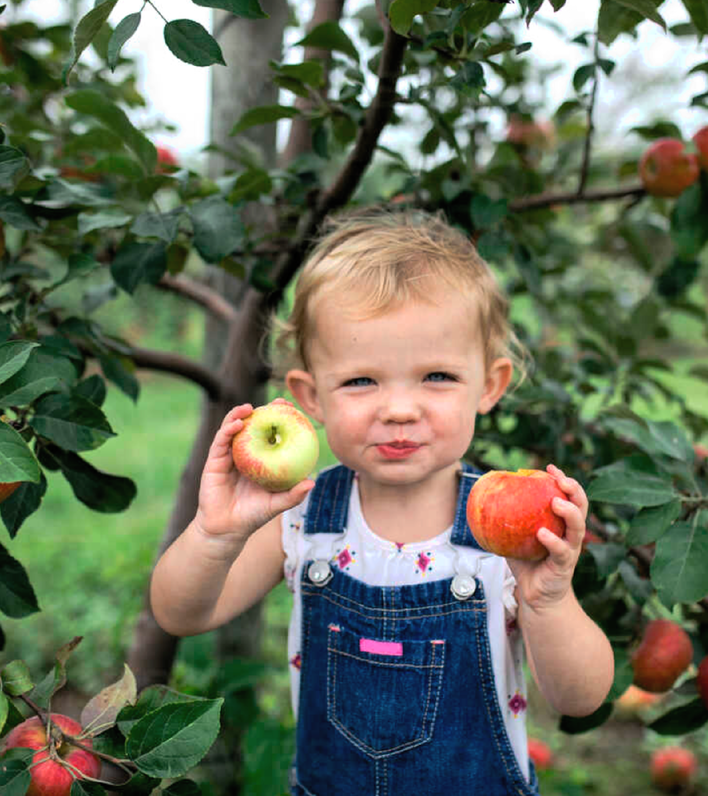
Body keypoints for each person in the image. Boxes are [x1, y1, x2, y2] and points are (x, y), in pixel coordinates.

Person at [150, 209, 614, 795]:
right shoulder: (302, 520)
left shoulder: (508, 539)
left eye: (437, 377)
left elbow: (581, 699)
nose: (399, 408)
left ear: (489, 386)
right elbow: (181, 613)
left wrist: (549, 601)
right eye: (362, 381)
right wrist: (216, 536)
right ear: (309, 396)